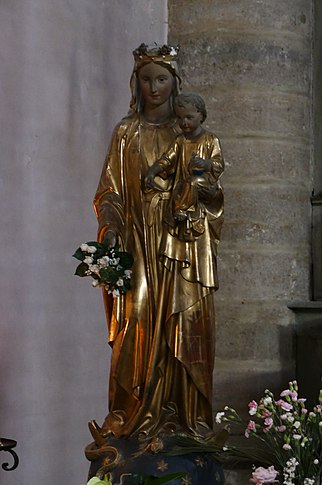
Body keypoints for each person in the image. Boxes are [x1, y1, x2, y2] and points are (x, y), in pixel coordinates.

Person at [90, 44, 224, 443]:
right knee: (138, 321)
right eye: (147, 79)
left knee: (185, 324)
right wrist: (110, 228)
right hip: (137, 243)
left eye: (162, 78)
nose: (154, 87)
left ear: (174, 82)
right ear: (137, 82)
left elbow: (213, 192)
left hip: (181, 246)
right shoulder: (126, 132)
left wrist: (199, 191)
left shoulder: (191, 133)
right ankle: (129, 417)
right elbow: (109, 192)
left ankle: (184, 422)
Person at [145, 92, 224, 241]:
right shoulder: (180, 141)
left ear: (201, 115)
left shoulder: (210, 139)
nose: (184, 122)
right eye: (180, 118)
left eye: (189, 117)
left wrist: (206, 164)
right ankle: (182, 212)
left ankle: (181, 209)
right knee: (182, 185)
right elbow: (167, 159)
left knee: (192, 182)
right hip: (184, 187)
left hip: (206, 186)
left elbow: (219, 164)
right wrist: (152, 171)